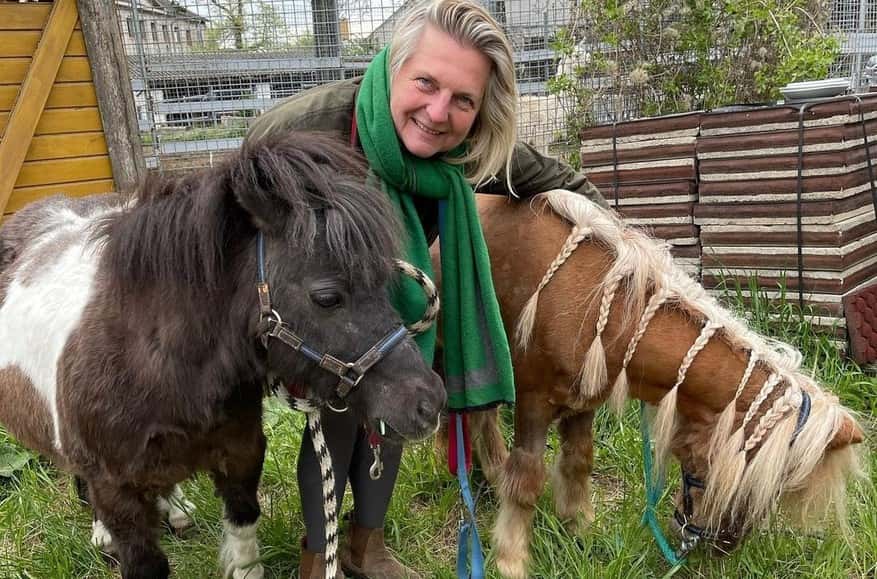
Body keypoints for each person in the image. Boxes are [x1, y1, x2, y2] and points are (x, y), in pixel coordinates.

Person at [247, 0, 606, 576]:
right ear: (393, 68)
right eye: (425, 83)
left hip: (398, 300)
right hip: (317, 309)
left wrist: (634, 253)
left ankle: (369, 546)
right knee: (339, 419)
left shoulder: (470, 153)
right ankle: (320, 560)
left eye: (463, 99)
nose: (439, 113)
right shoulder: (305, 131)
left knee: (397, 402)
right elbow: (240, 221)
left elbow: (565, 182)